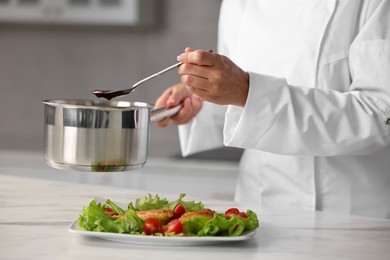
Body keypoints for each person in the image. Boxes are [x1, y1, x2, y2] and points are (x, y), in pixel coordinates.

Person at [154, 0, 390, 219]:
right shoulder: (238, 4)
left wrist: (247, 92)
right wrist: (203, 92)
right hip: (258, 207)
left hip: (350, 214)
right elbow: (240, 100)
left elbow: (380, 114)